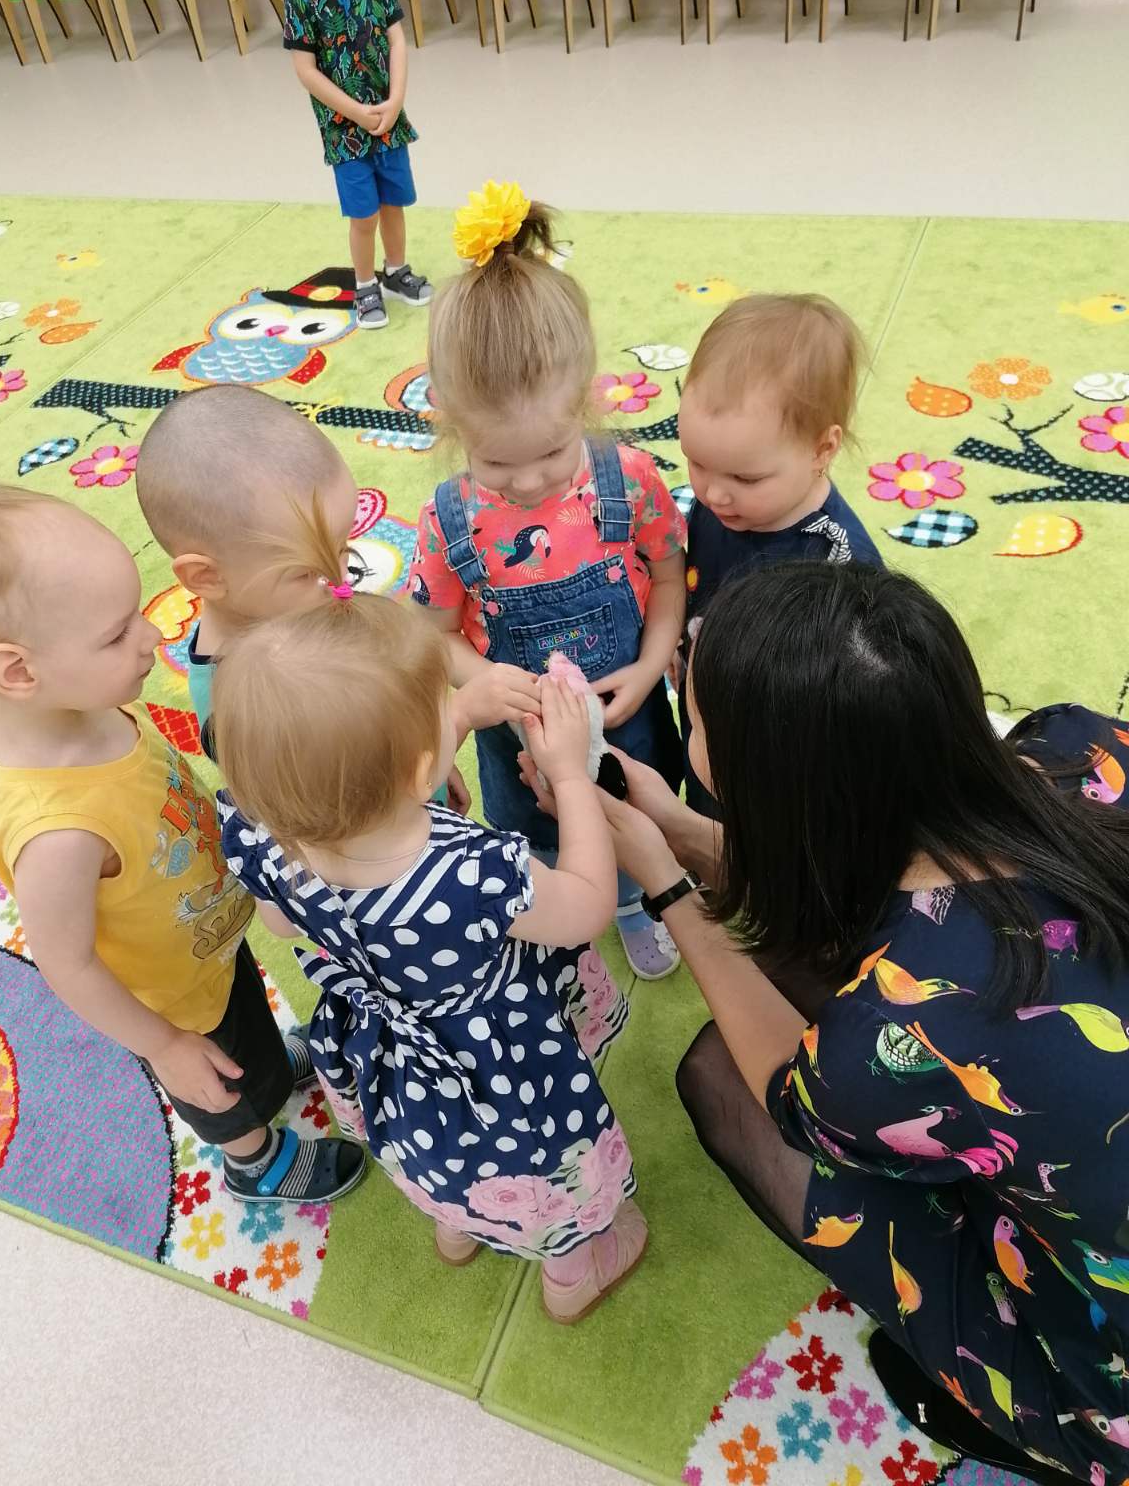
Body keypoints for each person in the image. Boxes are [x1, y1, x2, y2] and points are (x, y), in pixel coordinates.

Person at [548, 561, 1129, 1486]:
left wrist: (666, 882)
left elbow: (791, 1095)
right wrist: (684, 833)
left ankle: (1019, 1414)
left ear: (773, 784)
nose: (686, 720)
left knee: (721, 1081)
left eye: (696, 716)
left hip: (1108, 1374)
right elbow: (870, 869)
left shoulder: (903, 1029)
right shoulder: (1080, 746)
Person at [212, 508, 647, 1324]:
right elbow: (586, 906)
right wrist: (570, 778)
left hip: (396, 1057)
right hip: (503, 1066)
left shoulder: (260, 828)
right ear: (421, 769)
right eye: (437, 714)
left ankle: (460, 1227)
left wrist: (460, 712)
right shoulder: (472, 873)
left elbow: (281, 922)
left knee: (447, 1156)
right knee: (539, 1164)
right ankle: (573, 1274)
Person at [0, 483, 365, 1205]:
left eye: (137, 612)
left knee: (243, 1020)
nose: (152, 637)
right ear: (18, 672)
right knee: (215, 1085)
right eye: (115, 634)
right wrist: (163, 1045)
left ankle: (263, 1067)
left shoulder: (82, 703)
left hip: (204, 942)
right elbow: (66, 963)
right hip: (171, 999)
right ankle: (254, 1162)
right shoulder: (56, 832)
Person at [410, 183, 689, 980]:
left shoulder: (629, 480)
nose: (529, 481)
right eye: (497, 461)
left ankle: (633, 902)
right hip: (519, 741)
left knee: (634, 818)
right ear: (449, 420)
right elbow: (433, 638)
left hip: (627, 718)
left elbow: (671, 577)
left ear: (587, 401)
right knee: (534, 838)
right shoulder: (449, 520)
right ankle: (557, 915)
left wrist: (650, 666)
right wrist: (487, 680)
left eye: (552, 452)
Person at [135, 383, 472, 806]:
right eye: (307, 571)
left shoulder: (295, 608)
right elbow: (359, 789)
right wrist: (455, 722)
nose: (340, 582)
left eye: (344, 548)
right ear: (205, 577)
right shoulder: (241, 705)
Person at [676, 293, 882, 814]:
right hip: (706, 728)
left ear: (822, 449)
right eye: (695, 462)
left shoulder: (838, 567)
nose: (712, 493)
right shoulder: (724, 505)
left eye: (745, 478)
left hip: (779, 770)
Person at [281, 0, 431, 330]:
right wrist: (355, 112)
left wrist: (395, 100)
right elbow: (306, 72)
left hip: (389, 120)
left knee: (394, 203)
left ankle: (395, 271)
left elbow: (397, 40)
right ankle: (365, 285)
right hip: (344, 132)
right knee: (363, 214)